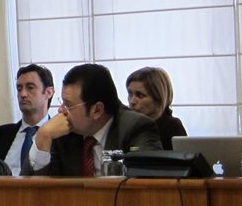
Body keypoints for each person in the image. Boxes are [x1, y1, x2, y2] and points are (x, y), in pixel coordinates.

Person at [30, 63, 161, 176]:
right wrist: (43, 136)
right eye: (62, 102)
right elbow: (32, 189)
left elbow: (147, 186)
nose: (61, 111)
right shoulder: (62, 131)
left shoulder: (136, 128)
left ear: (97, 110)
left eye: (68, 105)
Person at [0, 64, 54, 175]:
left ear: (48, 92)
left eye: (30, 87)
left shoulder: (60, 137)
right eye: (19, 89)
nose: (23, 94)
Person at [125, 66, 187, 150]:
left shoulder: (172, 126)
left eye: (140, 95)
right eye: (130, 94)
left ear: (158, 98)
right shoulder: (128, 126)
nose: (132, 101)